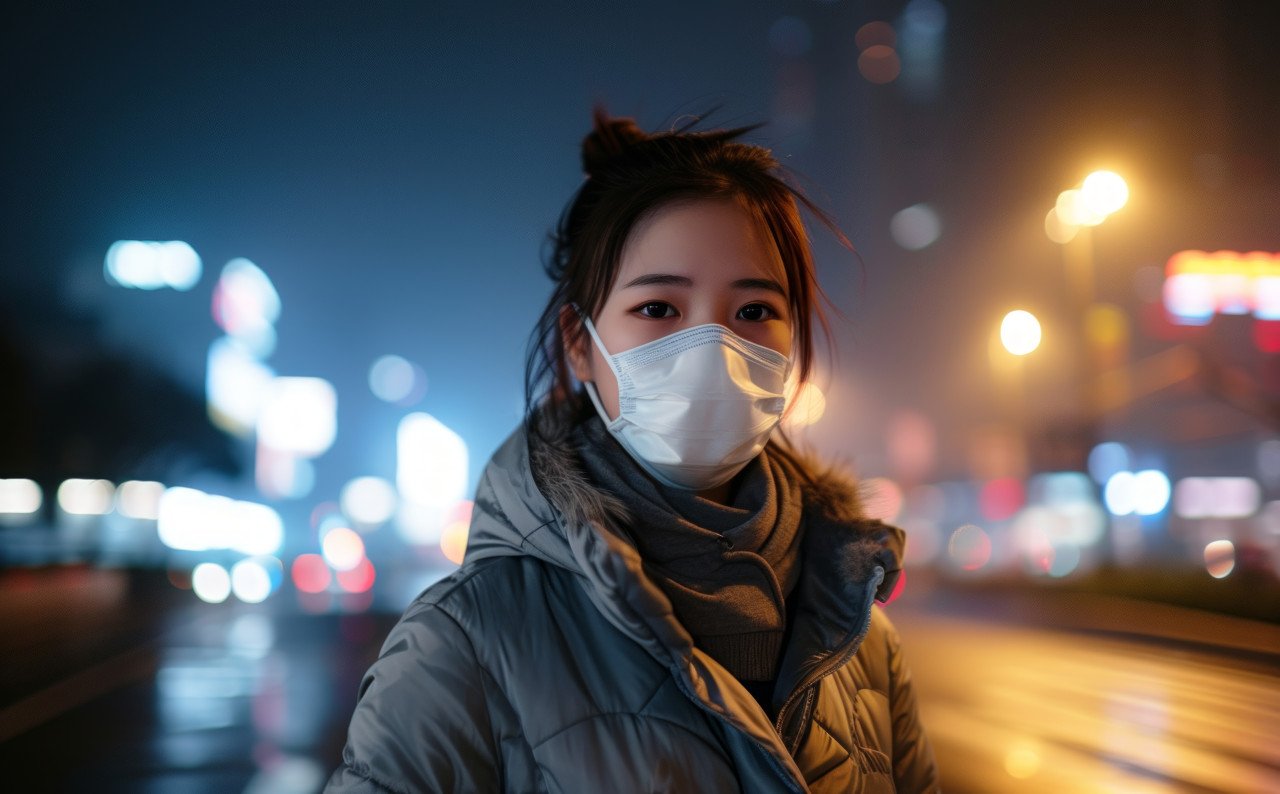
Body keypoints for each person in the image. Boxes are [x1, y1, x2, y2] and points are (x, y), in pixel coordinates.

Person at [326, 109, 938, 793]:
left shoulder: (865, 643)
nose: (712, 348)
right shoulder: (463, 643)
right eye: (659, 310)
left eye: (755, 311)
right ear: (580, 343)